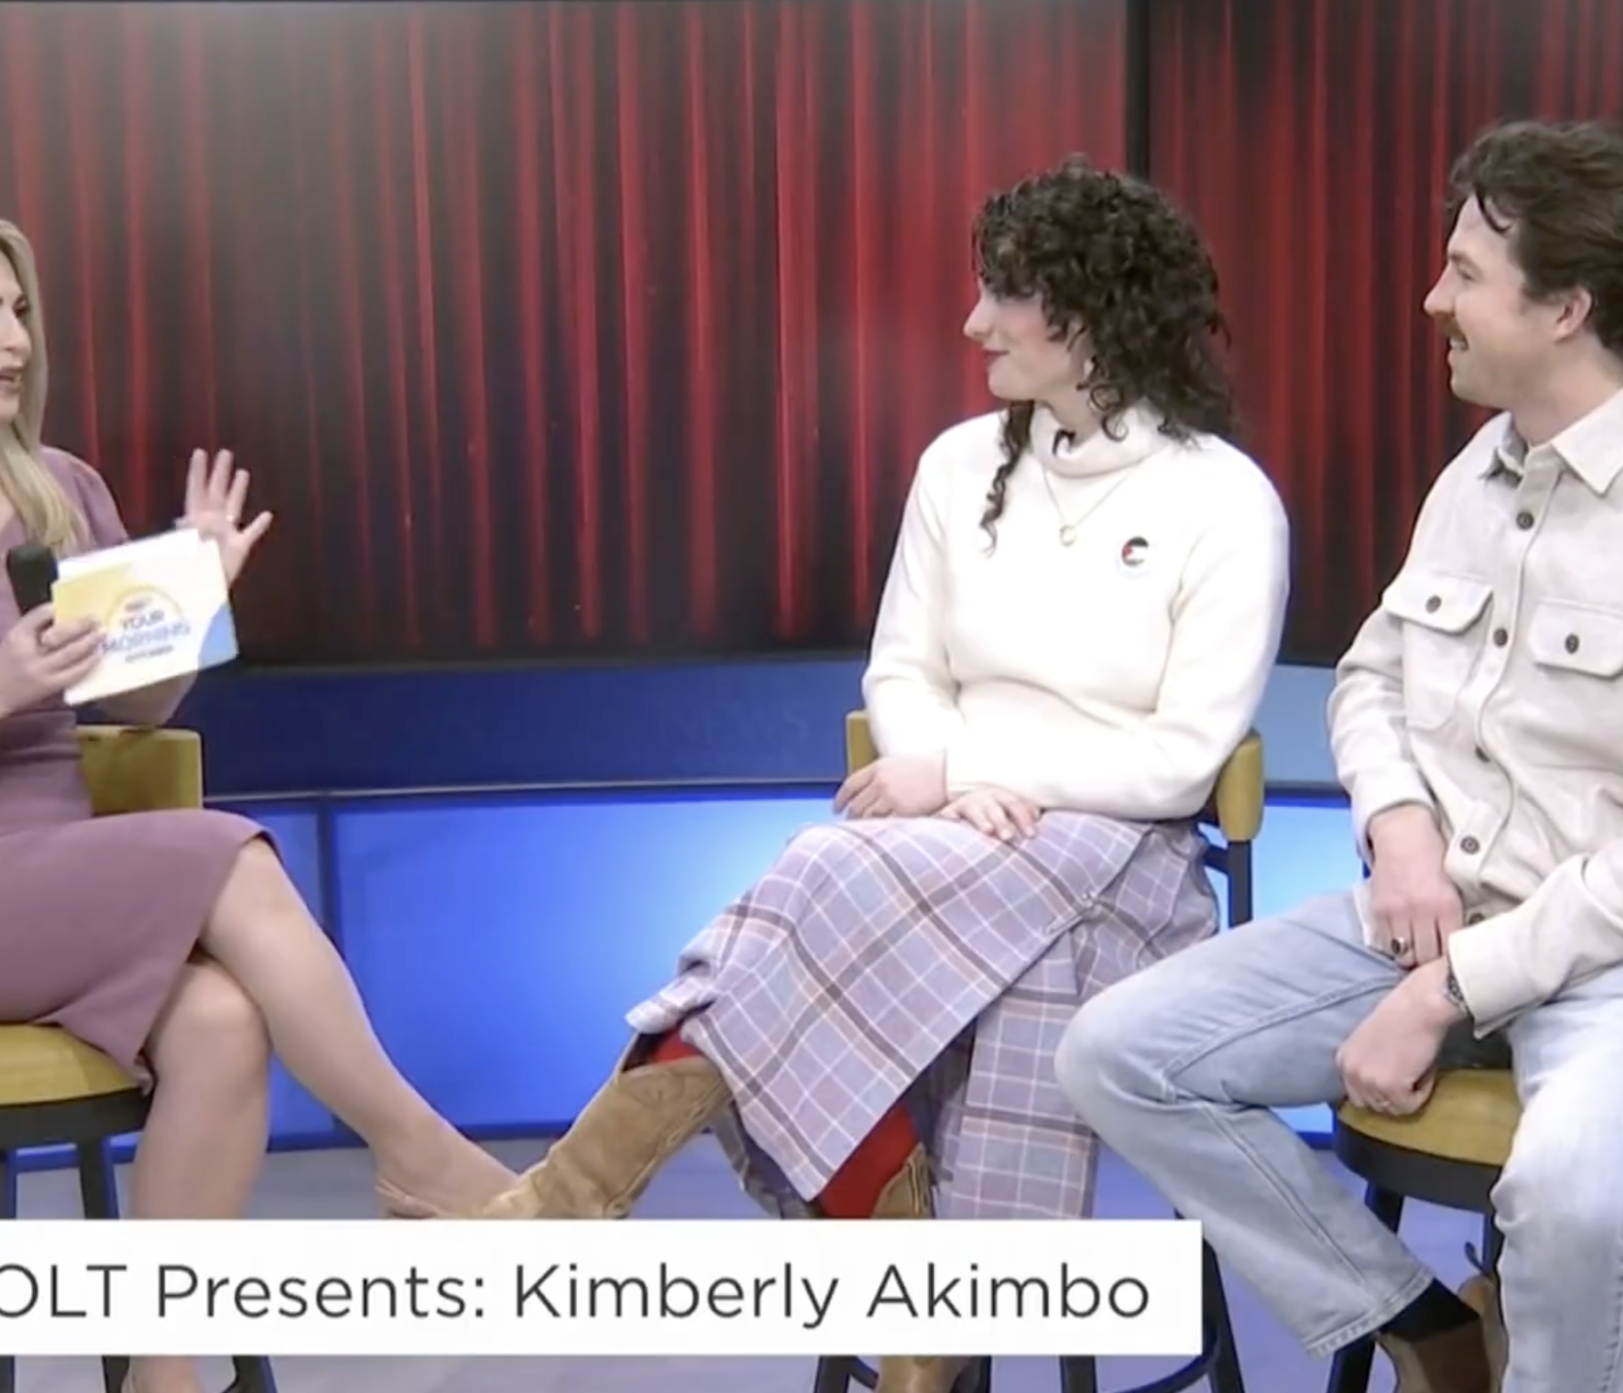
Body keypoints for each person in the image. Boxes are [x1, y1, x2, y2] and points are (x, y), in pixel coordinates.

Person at [459, 157, 1290, 1393]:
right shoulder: (960, 467)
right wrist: (944, 781)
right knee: (883, 898)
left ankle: (595, 1203)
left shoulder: (1222, 500)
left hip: (1125, 863)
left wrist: (960, 766)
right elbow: (899, 667)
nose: (972, 323)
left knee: (820, 875)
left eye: (1003, 296)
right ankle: (920, 1324)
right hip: (939, 841)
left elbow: (1178, 760)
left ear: (1089, 314)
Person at [1056, 119, 1623, 1393]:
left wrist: (1448, 990)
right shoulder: (1485, 468)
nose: (1434, 299)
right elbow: (1373, 677)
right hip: (1449, 912)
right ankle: (1428, 1332)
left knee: (1579, 1196)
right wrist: (1399, 828)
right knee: (1116, 1052)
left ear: (1567, 309)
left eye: (1466, 274)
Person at [0, 202, 517, 1393]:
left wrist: (194, 600)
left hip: (51, 883)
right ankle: (418, 1156)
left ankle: (159, 1373)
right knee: (226, 850)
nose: (17, 340)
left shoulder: (61, 489)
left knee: (223, 1022)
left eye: (20, 311)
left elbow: (132, 708)